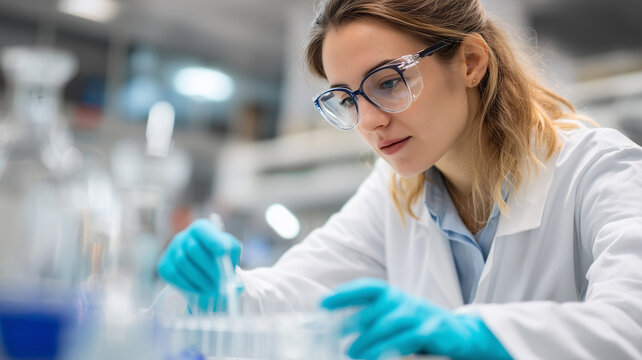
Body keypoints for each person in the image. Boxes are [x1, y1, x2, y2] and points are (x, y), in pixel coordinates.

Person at [156, 0, 642, 359]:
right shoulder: (393, 196)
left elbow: (630, 324)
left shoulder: (597, 170)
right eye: (347, 99)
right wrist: (219, 289)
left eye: (387, 82)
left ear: (471, 62)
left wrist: (476, 335)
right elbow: (290, 298)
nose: (367, 122)